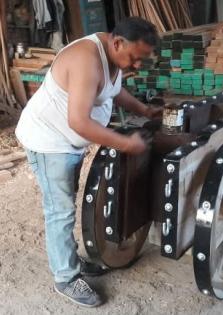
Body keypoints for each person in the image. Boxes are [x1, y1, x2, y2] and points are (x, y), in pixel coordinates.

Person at [15, 17, 161, 307]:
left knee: (66, 203)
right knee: (60, 211)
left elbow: (113, 90)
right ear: (117, 42)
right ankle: (65, 278)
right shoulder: (86, 59)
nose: (136, 66)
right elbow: (79, 121)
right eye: (134, 59)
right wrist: (125, 143)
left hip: (68, 143)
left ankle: (70, 260)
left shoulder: (113, 55)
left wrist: (144, 109)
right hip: (50, 143)